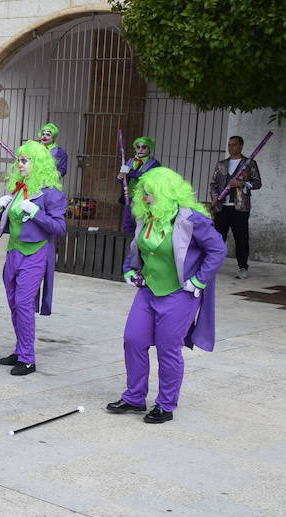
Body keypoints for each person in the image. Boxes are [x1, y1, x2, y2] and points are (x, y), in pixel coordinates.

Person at [108, 167, 226, 424]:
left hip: (179, 294)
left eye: (150, 192)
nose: (145, 196)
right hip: (148, 290)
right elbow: (137, 247)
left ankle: (165, 404)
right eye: (144, 192)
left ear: (165, 192)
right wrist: (129, 269)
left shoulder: (192, 219)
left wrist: (198, 280)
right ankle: (134, 397)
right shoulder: (147, 217)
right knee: (133, 340)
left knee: (167, 349)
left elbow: (217, 250)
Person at [0, 141, 66, 376]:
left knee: (24, 303)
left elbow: (59, 226)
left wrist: (36, 213)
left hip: (35, 253)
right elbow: (13, 218)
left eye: (25, 160)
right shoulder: (20, 188)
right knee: (14, 302)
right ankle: (20, 348)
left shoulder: (51, 193)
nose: (20, 164)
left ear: (38, 163)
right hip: (13, 252)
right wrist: (0, 209)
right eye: (19, 160)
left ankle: (27, 359)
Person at [209, 135, 262, 279]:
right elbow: (213, 184)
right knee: (217, 238)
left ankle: (243, 267)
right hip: (222, 207)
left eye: (234, 145)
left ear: (241, 146)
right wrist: (214, 198)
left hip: (240, 208)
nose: (231, 147)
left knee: (241, 239)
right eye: (229, 145)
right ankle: (211, 266)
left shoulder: (249, 163)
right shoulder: (221, 164)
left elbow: (257, 183)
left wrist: (242, 184)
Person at [116, 136, 161, 234]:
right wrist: (120, 176)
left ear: (149, 149)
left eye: (144, 147)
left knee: (141, 224)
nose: (140, 149)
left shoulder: (154, 164)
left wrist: (130, 172)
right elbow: (121, 179)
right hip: (130, 197)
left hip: (144, 199)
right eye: (138, 147)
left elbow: (146, 177)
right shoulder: (130, 161)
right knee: (128, 223)